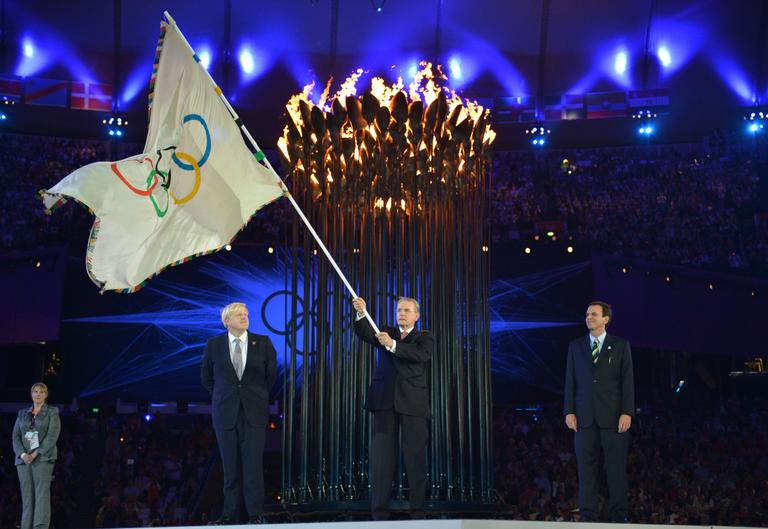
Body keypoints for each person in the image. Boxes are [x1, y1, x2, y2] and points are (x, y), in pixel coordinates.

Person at [352, 296, 433, 520]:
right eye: (399, 310)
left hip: (413, 404)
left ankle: (417, 511)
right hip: (384, 401)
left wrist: (394, 345)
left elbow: (420, 356)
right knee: (381, 460)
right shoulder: (386, 331)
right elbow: (366, 333)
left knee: (415, 458)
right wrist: (361, 313)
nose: (402, 313)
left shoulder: (424, 338)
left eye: (407, 310)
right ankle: (379, 512)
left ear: (416, 315)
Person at [201, 302, 277, 525]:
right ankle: (228, 514)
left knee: (253, 466)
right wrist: (225, 395)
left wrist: (255, 395)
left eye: (246, 314)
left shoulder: (262, 343)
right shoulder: (214, 345)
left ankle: (255, 514)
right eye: (239, 315)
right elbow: (206, 378)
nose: (244, 317)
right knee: (230, 467)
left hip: (254, 412)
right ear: (227, 321)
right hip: (225, 412)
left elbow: (270, 376)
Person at [563, 301, 634, 522]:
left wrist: (627, 411)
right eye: (587, 314)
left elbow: (627, 381)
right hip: (583, 416)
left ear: (606, 319)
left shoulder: (621, 345)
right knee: (586, 467)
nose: (589, 317)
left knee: (615, 466)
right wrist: (569, 411)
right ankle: (588, 513)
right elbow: (570, 381)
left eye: (594, 314)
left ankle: (619, 513)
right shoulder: (575, 346)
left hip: (613, 416)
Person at [12, 382, 61, 529]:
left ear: (46, 395)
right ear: (31, 394)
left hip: (42, 458)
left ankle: (40, 526)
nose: (38, 394)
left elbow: (52, 436)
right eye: (35, 392)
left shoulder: (52, 412)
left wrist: (35, 453)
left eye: (41, 392)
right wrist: (22, 454)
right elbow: (15, 436)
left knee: (41, 494)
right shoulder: (22, 413)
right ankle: (26, 526)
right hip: (23, 460)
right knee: (27, 496)